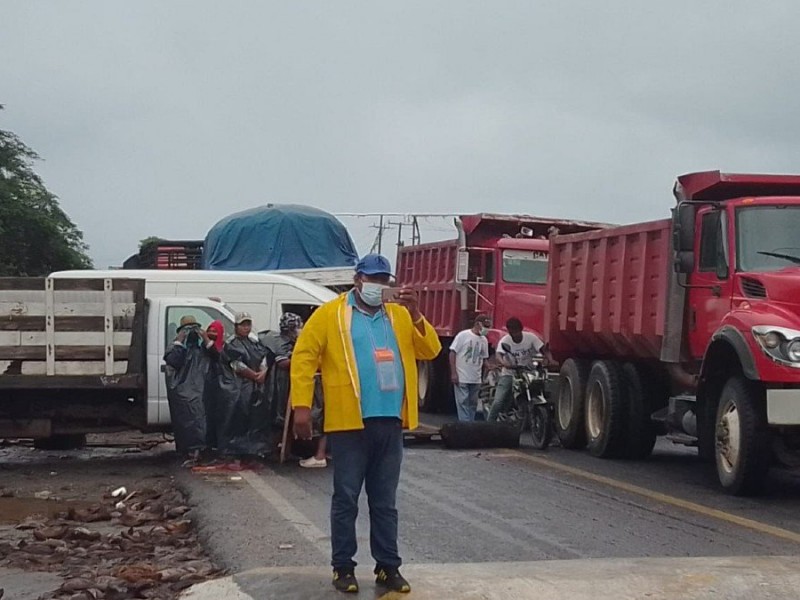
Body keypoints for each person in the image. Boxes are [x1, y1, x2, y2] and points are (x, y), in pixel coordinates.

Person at [291, 254, 441, 594]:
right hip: (349, 422)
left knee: (385, 500)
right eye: (372, 278)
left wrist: (417, 314)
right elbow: (303, 358)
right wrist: (301, 405)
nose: (378, 285)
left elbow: (430, 350)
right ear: (358, 279)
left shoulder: (400, 316)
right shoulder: (331, 314)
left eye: (384, 279)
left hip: (389, 421)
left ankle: (388, 566)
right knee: (346, 497)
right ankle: (343, 567)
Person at [259, 312, 327, 468]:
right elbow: (283, 362)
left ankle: (319, 454)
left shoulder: (309, 340)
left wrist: (306, 361)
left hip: (313, 385)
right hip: (288, 387)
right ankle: (284, 450)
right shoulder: (279, 341)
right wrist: (302, 361)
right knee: (287, 420)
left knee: (319, 418)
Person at [216, 312, 272, 466]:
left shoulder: (254, 343)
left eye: (248, 324)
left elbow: (263, 358)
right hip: (238, 389)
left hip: (254, 388)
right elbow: (236, 365)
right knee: (237, 420)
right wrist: (255, 376)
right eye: (243, 325)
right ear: (236, 326)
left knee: (254, 420)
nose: (246, 328)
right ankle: (234, 453)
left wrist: (263, 372)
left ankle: (251, 452)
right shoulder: (231, 344)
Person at [163, 316, 213, 466]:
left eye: (194, 328)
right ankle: (189, 451)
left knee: (200, 420)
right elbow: (172, 360)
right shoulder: (177, 347)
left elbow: (217, 356)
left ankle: (199, 451)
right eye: (187, 328)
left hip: (201, 390)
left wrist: (206, 339)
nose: (191, 332)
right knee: (186, 421)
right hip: (183, 392)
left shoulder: (202, 347)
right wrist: (179, 342)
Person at [487, 317, 545, 422]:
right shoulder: (505, 341)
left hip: (527, 371)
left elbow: (543, 349)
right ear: (509, 331)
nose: (515, 334)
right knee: (499, 401)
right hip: (510, 373)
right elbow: (499, 354)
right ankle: (488, 424)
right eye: (513, 332)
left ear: (521, 329)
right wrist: (504, 363)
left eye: (517, 331)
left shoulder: (531, 338)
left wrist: (549, 359)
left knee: (539, 387)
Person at [449, 315, 491, 422]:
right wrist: (454, 373)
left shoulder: (484, 340)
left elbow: (484, 358)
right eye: (485, 326)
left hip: (475, 378)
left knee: (473, 403)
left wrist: (490, 368)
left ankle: (470, 424)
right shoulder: (463, 335)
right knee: (462, 402)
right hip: (462, 376)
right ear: (478, 324)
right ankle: (465, 424)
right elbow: (453, 352)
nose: (487, 329)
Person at [203, 320, 226, 451]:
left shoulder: (224, 347)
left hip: (220, 388)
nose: (212, 333)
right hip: (207, 388)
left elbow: (218, 356)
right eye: (210, 330)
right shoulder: (203, 347)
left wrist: (208, 341)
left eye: (215, 331)